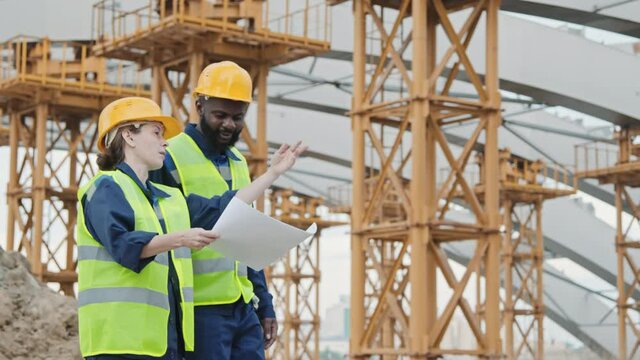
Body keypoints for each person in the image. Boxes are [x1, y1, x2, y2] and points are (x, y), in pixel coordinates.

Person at [78, 96, 305, 360]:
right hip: (116, 342)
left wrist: (272, 174)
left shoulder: (167, 198)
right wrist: (180, 239)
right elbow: (124, 246)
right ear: (129, 135)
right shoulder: (105, 187)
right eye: (156, 132)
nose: (165, 141)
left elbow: (224, 206)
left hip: (160, 343)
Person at [149, 61, 277, 360]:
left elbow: (248, 238)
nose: (229, 125)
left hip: (241, 305)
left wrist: (264, 303)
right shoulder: (169, 156)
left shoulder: (238, 163)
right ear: (199, 106)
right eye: (220, 115)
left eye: (237, 117)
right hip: (199, 308)